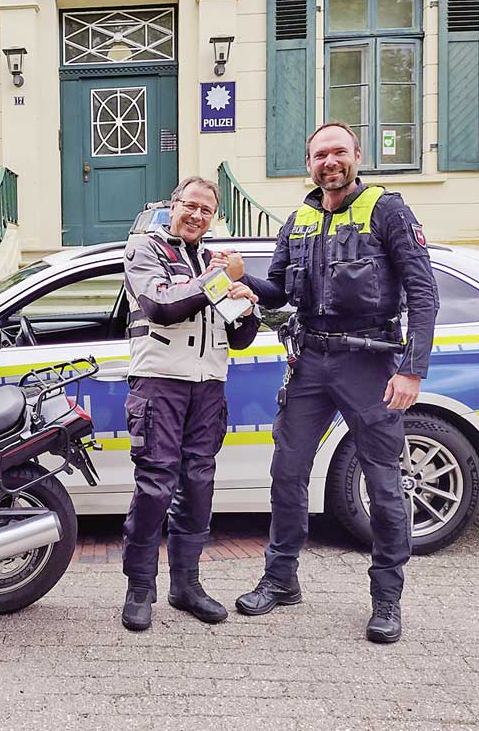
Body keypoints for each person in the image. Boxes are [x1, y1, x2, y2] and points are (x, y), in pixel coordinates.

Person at [228, 122, 438, 644]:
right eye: (320, 154)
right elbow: (277, 293)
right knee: (287, 472)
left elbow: (424, 294)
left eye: (338, 152)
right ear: (309, 163)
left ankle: (386, 600)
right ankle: (281, 580)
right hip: (311, 362)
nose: (330, 162)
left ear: (357, 156)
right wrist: (241, 277)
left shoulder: (387, 210)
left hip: (370, 365)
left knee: (384, 485)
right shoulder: (298, 218)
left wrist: (412, 369)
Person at [120, 176, 260, 631]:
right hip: (160, 384)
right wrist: (221, 278)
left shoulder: (211, 259)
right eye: (190, 206)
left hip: (208, 387)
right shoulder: (146, 249)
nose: (197, 215)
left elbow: (239, 337)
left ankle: (187, 586)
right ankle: (140, 588)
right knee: (156, 486)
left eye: (206, 210)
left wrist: (248, 303)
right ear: (173, 206)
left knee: (199, 485)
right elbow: (161, 305)